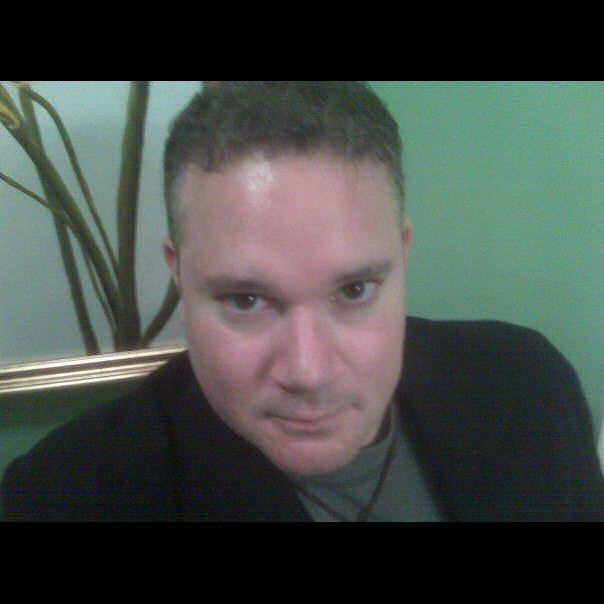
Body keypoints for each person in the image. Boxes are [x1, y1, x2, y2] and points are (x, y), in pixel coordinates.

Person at [1, 81, 603, 522]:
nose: (308, 372)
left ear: (403, 254)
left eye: (354, 290)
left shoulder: (529, 387)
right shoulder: (66, 495)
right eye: (245, 300)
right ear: (179, 275)